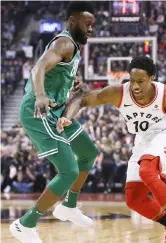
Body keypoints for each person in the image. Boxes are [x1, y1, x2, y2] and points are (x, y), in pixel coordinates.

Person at [58, 56, 166, 243]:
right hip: (142, 140)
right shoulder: (118, 93)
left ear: (152, 78)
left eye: (141, 81)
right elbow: (84, 100)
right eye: (132, 80)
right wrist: (67, 116)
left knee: (147, 170)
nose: (135, 86)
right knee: (134, 199)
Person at [10, 2, 99, 243]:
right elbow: (39, 67)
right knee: (69, 170)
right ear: (72, 21)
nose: (91, 29)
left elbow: (57, 73)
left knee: (89, 152)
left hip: (56, 112)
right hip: (38, 111)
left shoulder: (74, 48)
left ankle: (69, 206)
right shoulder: (64, 42)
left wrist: (74, 81)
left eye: (93, 24)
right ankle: (25, 224)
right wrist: (40, 94)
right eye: (87, 23)